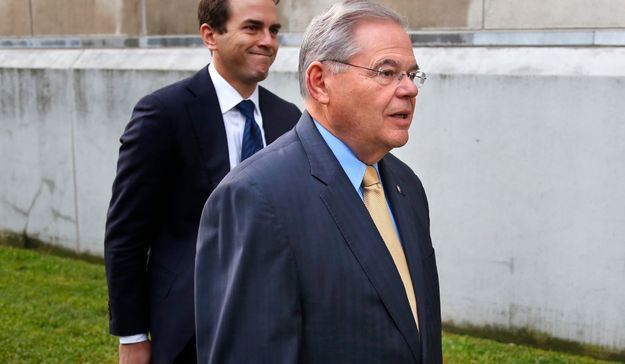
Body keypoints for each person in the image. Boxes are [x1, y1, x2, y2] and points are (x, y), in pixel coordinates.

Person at [194, 0, 443, 363]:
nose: (409, 89)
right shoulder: (256, 197)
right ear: (320, 82)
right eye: (387, 72)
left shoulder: (407, 186)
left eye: (411, 74)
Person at [104, 0, 301, 362]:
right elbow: (126, 234)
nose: (268, 41)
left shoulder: (288, 118)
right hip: (187, 328)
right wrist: (132, 336)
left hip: (273, 325)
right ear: (210, 35)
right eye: (252, 28)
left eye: (274, 31)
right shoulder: (163, 114)